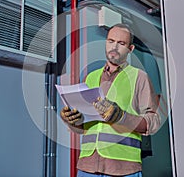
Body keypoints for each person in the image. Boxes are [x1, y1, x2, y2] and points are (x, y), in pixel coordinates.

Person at [60, 23, 161, 177]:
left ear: (130, 49)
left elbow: (153, 122)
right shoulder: (91, 77)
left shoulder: (139, 77)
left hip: (123, 168)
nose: (114, 47)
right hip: (87, 167)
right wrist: (72, 120)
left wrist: (121, 117)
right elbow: (85, 127)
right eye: (111, 41)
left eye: (121, 43)